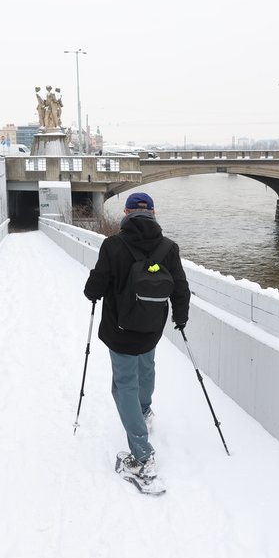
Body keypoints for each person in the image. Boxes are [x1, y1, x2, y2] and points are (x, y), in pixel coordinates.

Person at [83, 191, 189, 486]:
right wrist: (180, 317)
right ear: (153, 214)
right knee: (146, 365)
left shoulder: (113, 245)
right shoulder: (169, 247)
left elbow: (95, 289)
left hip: (120, 330)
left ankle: (142, 456)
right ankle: (144, 410)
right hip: (152, 327)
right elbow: (180, 288)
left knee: (124, 384)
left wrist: (93, 285)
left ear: (127, 214)